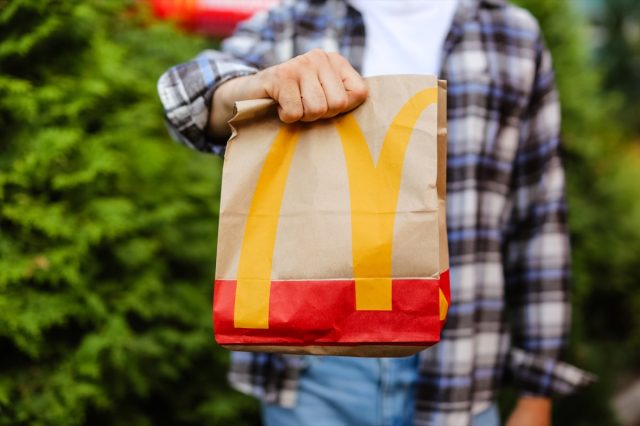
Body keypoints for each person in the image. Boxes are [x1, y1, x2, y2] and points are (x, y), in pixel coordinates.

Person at [157, 0, 594, 424]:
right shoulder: (294, 20)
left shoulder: (513, 34)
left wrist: (538, 393)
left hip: (462, 367)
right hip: (314, 366)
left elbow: (538, 216)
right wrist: (249, 88)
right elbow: (186, 95)